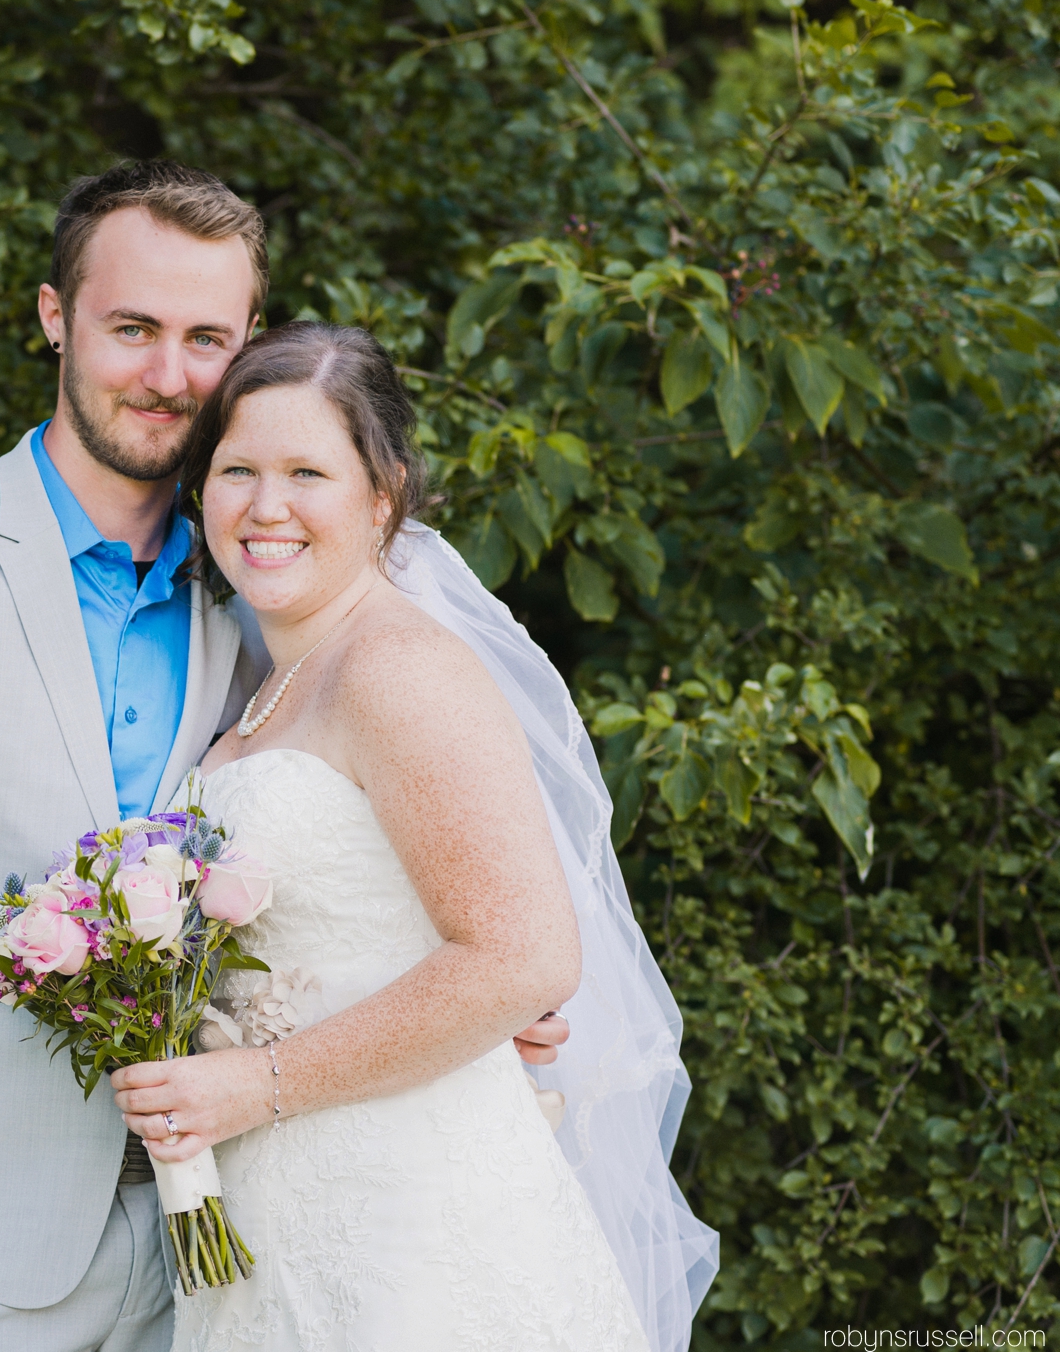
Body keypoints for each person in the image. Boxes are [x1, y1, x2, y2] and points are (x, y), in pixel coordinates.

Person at [0, 161, 572, 1349]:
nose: (168, 375)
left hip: (224, 1237)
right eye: (131, 329)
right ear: (55, 318)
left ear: (246, 342)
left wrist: (454, 997)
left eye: (205, 336)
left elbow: (347, 846)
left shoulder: (260, 593)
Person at [108, 320, 719, 1351]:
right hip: (274, 1221)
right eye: (236, 469)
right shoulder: (265, 689)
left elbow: (524, 955)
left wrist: (250, 1084)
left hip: (406, 1224)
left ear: (380, 493)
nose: (264, 506)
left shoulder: (395, 666)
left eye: (307, 471)